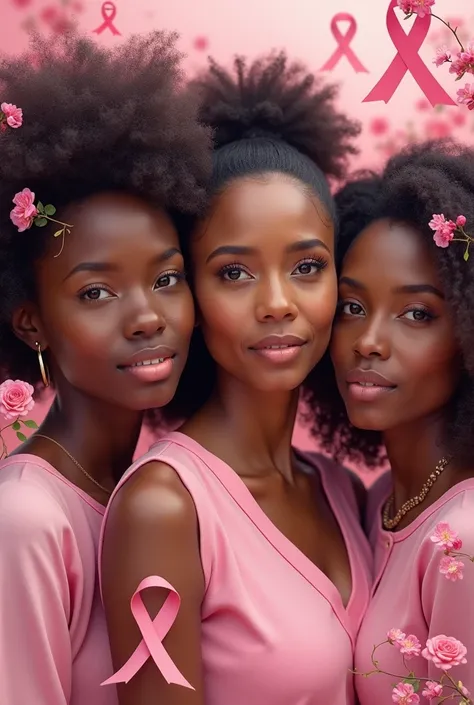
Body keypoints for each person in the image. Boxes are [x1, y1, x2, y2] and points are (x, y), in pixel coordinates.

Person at [100, 52, 372, 705]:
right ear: (191, 293)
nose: (277, 302)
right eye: (234, 272)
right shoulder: (164, 508)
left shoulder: (340, 489)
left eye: (307, 266)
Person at [0, 30, 211, 705]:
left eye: (168, 279)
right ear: (30, 319)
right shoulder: (28, 519)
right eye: (96, 292)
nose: (148, 316)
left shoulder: (158, 486)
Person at [310, 140, 474, 701]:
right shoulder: (380, 497)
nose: (370, 341)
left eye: (417, 313)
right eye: (352, 308)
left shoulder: (463, 539)